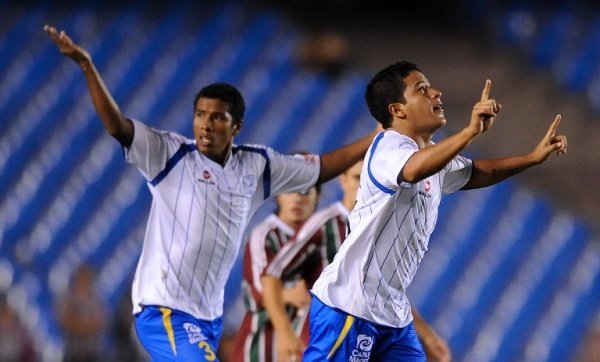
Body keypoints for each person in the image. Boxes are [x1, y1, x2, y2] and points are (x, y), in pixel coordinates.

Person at [44, 25, 378, 361]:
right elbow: (118, 126)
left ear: (236, 126)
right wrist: (88, 66)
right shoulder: (169, 154)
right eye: (200, 115)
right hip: (164, 310)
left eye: (217, 117)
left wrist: (376, 138)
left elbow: (322, 167)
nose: (205, 124)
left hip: (207, 317)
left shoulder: (256, 165)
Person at [303, 61, 567, 361]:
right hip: (349, 307)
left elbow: (476, 172)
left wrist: (532, 158)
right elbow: (413, 170)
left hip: (393, 315)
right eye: (422, 89)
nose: (436, 93)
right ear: (397, 110)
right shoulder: (388, 147)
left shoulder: (430, 155)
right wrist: (469, 132)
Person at [262, 160, 451, 362]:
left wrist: (426, 334)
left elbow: (382, 290)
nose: (364, 184)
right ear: (343, 180)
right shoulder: (325, 224)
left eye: (368, 178)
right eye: (356, 178)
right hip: (329, 334)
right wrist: (284, 332)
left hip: (375, 328)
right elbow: (271, 276)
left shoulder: (381, 225)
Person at [233, 183, 320, 362]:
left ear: (317, 196)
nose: (297, 198)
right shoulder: (265, 235)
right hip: (262, 344)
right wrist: (290, 294)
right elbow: (257, 292)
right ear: (278, 194)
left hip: (304, 344)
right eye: (290, 189)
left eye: (305, 191)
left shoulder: (323, 235)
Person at [56, 264, 107, 362]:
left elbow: (99, 323)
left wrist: (79, 323)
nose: (84, 281)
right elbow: (66, 321)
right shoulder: (68, 299)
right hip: (72, 353)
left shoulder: (96, 300)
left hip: (93, 353)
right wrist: (85, 326)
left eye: (87, 278)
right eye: (82, 278)